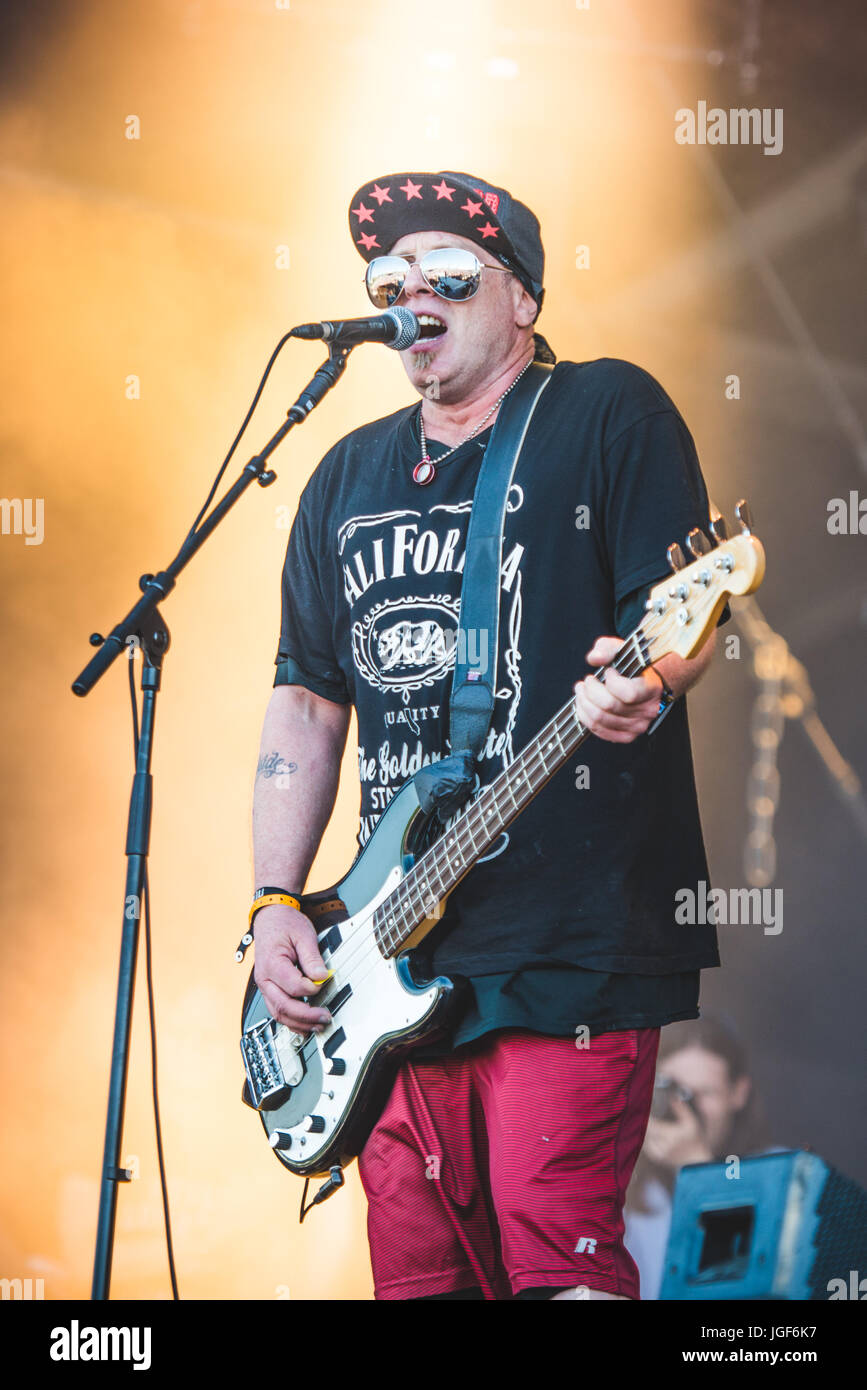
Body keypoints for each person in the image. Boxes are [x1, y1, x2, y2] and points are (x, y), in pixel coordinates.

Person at [251, 168, 724, 1300]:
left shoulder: (608, 411)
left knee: (555, 1251)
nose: (413, 296)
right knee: (418, 1279)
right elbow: (308, 702)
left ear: (522, 298)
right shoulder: (344, 475)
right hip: (389, 945)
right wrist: (275, 902)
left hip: (567, 932)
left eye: (449, 275)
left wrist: (646, 682)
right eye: (388, 279)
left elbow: (683, 620)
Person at [624, 1015, 771, 1300]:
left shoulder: (779, 1172)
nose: (689, 1108)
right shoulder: (620, 1188)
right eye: (676, 1092)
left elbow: (758, 1274)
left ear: (738, 1093)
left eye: (705, 1093)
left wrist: (696, 1166)